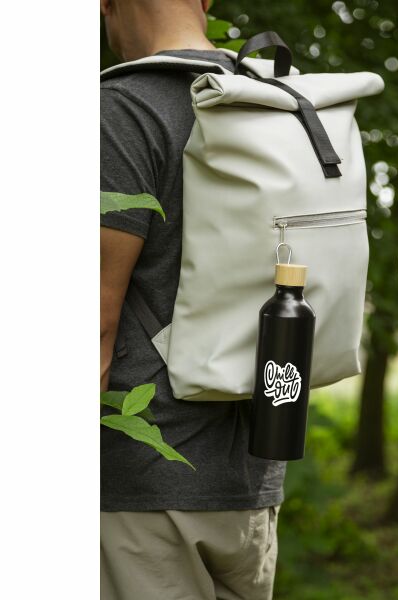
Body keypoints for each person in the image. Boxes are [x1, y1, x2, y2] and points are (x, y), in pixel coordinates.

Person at [100, 1, 285, 598]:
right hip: (251, 489)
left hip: (142, 498)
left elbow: (94, 317)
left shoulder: (122, 110)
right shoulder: (272, 102)